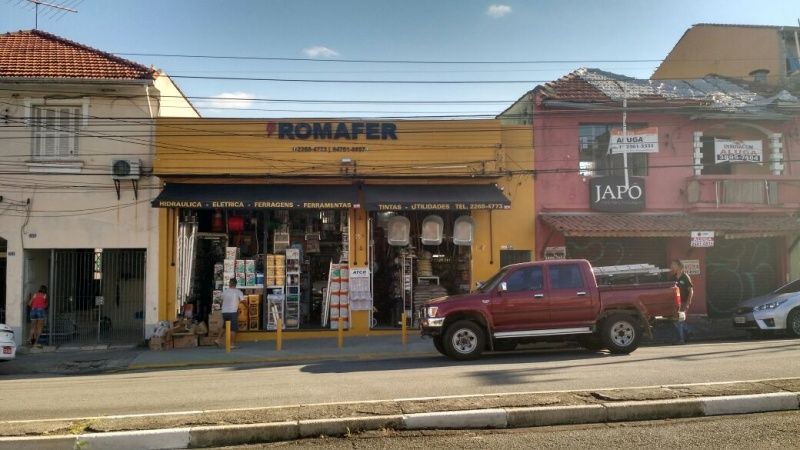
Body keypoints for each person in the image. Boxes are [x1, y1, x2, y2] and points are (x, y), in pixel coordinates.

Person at [670, 260, 693, 344]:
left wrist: (688, 302)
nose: (672, 266)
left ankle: (681, 340)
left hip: (683, 302)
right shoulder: (673, 278)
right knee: (676, 320)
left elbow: (691, 291)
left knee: (679, 321)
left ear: (679, 266)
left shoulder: (685, 277)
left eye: (673, 265)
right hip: (675, 304)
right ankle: (689, 330)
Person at [219, 278, 245, 348]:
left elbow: (221, 301)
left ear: (229, 284)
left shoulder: (225, 292)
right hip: (232, 312)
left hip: (224, 312)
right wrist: (247, 307)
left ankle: (218, 339)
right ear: (236, 284)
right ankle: (232, 344)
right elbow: (243, 301)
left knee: (224, 326)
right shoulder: (238, 292)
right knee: (233, 329)